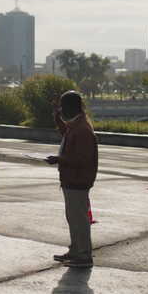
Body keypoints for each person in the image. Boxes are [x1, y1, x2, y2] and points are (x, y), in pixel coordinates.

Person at [45, 90, 98, 268]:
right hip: (72, 180)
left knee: (79, 219)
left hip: (78, 181)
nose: (61, 108)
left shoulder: (82, 129)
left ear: (72, 107)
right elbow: (66, 134)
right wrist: (57, 118)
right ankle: (76, 250)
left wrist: (58, 159)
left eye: (63, 105)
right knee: (73, 218)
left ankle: (83, 256)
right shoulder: (76, 124)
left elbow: (82, 159)